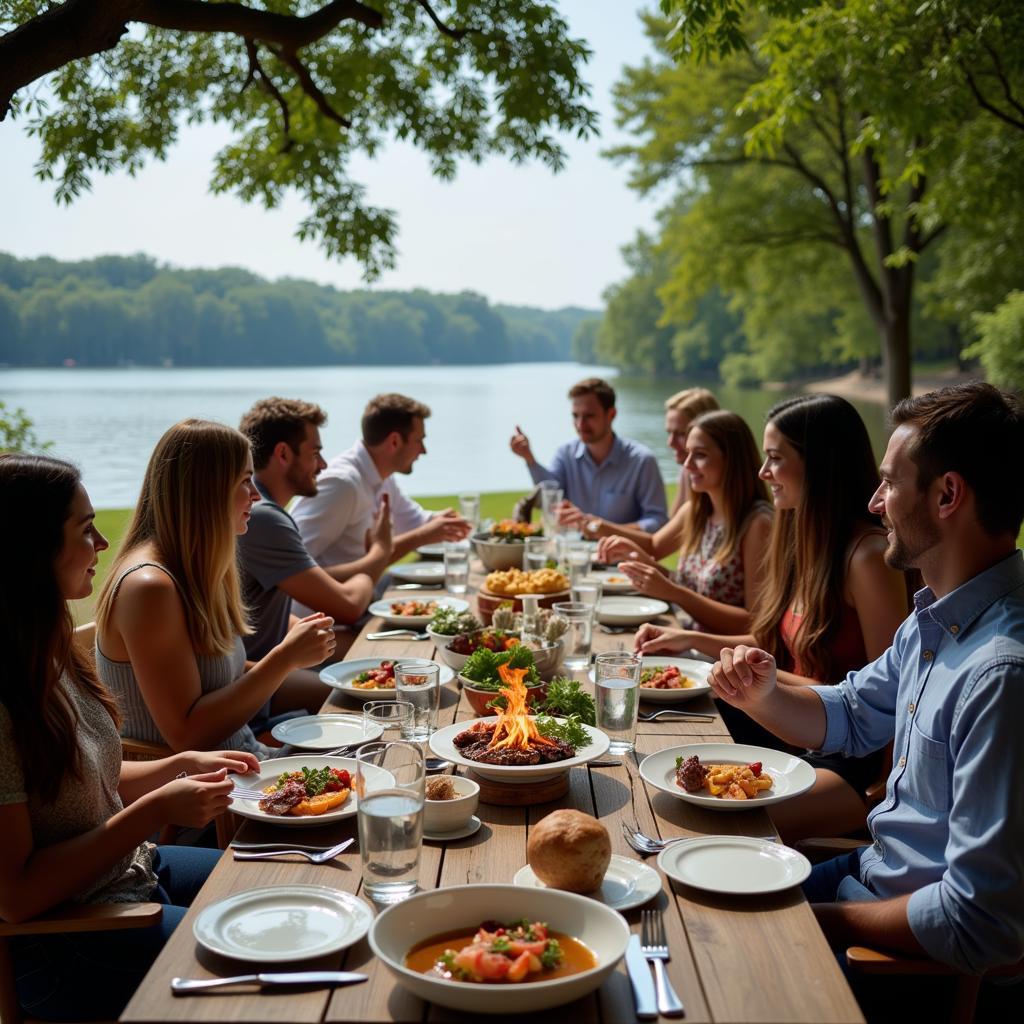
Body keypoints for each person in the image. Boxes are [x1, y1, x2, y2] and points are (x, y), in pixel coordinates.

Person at [707, 382, 1024, 978]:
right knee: (684, 898)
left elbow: (980, 922)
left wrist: (819, 920)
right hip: (864, 877)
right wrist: (762, 695)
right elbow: (852, 714)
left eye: (890, 484)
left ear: (947, 495)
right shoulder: (934, 620)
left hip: (895, 948)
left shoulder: (1001, 674)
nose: (875, 503)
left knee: (709, 954)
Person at [0, 452, 260, 1022]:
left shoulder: (49, 646)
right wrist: (153, 812)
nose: (101, 542)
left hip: (135, 872)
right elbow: (16, 898)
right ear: (30, 548)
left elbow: (87, 779)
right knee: (263, 963)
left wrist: (177, 766)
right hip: (69, 941)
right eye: (82, 528)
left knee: (270, 885)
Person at [636, 395, 908, 841]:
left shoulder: (868, 556)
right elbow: (767, 646)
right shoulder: (806, 541)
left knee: (709, 827)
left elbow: (897, 695)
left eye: (776, 459)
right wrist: (683, 638)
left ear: (819, 465)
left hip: (849, 763)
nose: (764, 473)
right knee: (665, 743)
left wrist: (886, 789)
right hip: (788, 730)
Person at [95, 419, 335, 757]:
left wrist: (313, 669)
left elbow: (222, 676)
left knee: (376, 725)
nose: (255, 495)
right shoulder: (149, 587)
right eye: (245, 480)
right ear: (207, 490)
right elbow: (187, 734)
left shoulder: (193, 570)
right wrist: (284, 658)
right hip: (213, 796)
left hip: (245, 764)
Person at [238, 397, 392, 660]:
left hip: (268, 664)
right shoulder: (264, 517)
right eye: (314, 453)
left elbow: (264, 617)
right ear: (283, 453)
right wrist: (379, 552)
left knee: (383, 654)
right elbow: (349, 606)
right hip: (253, 677)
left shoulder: (261, 511)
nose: (323, 464)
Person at [598, 410, 771, 634]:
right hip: (685, 637)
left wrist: (673, 592)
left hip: (723, 659)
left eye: (699, 454)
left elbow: (755, 623)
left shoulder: (758, 523)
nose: (687, 464)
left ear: (732, 458)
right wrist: (646, 564)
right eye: (688, 453)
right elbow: (687, 587)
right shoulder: (696, 511)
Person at [290, 393, 470, 576]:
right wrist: (423, 535)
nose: (423, 450)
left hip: (362, 598)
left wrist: (448, 522)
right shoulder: (342, 485)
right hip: (328, 605)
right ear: (394, 441)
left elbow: (415, 523)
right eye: (419, 440)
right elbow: (291, 569)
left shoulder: (384, 477)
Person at [509, 377, 668, 534]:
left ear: (611, 414)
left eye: (589, 416)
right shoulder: (565, 455)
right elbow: (550, 494)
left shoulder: (641, 461)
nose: (580, 424)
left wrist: (600, 529)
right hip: (574, 555)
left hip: (624, 556)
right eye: (575, 416)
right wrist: (529, 459)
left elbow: (657, 521)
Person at [665, 387, 720, 516]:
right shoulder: (687, 471)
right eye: (669, 432)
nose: (670, 443)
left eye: (681, 434)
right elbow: (670, 529)